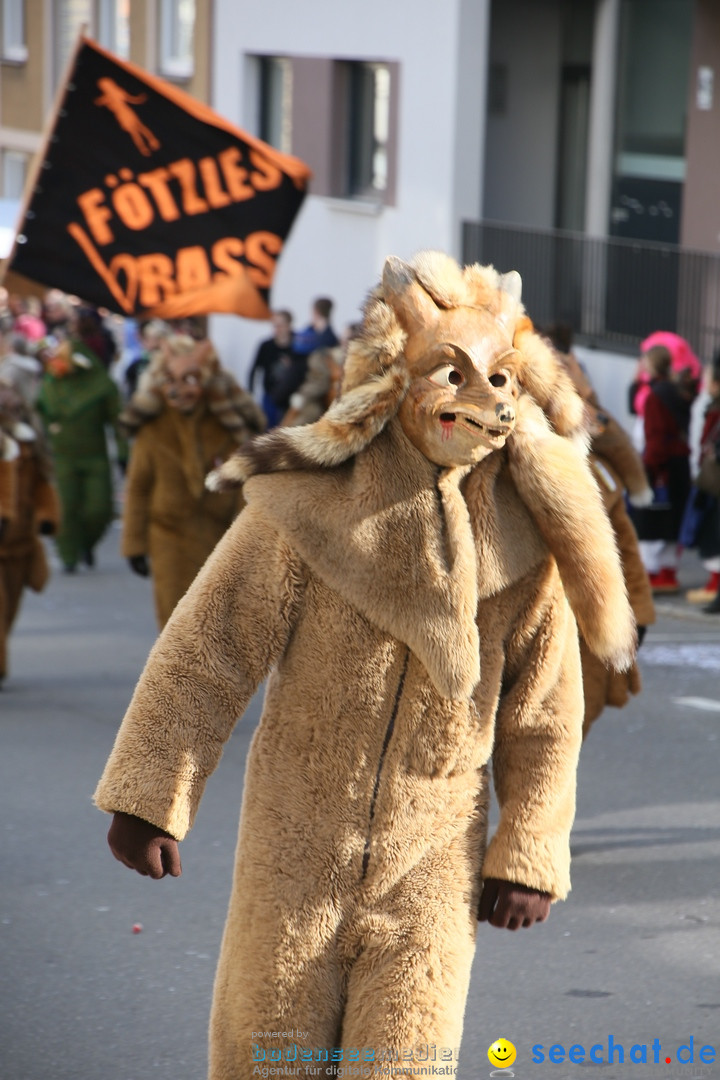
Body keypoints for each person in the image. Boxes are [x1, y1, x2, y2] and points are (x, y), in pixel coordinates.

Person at [94, 252, 635, 1079]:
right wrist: (151, 794)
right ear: (393, 375)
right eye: (452, 371)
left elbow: (547, 712)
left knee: (406, 1063)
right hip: (297, 835)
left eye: (497, 376)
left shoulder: (525, 536)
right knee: (269, 1054)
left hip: (435, 851)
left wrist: (528, 850)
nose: (479, 395)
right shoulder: (308, 499)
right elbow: (210, 647)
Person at [542, 328, 655, 737]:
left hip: (582, 628)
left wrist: (637, 617)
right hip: (524, 630)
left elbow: (624, 547)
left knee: (568, 734)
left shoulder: (599, 473)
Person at [120, 335, 266, 629]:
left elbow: (244, 487)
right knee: (175, 625)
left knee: (218, 625)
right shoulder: (154, 428)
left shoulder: (227, 426)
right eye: (171, 380)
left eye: (190, 379)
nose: (179, 390)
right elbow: (138, 487)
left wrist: (248, 541)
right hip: (167, 537)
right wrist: (134, 544)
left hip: (220, 538)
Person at [35, 337, 126, 572]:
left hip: (95, 456)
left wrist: (124, 452)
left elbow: (118, 422)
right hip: (62, 457)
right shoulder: (52, 383)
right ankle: (69, 555)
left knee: (100, 508)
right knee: (66, 507)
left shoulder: (101, 385)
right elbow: (40, 411)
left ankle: (86, 543)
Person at [0, 378, 60, 687]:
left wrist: (47, 517)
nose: (12, 409)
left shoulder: (28, 444)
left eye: (16, 404)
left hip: (20, 544)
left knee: (8, 612)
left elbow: (42, 486)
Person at [638, 344, 693, 592]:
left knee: (651, 520)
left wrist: (647, 468)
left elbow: (657, 437)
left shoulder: (655, 396)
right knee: (674, 521)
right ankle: (669, 573)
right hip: (681, 465)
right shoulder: (678, 392)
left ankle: (652, 574)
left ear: (651, 365)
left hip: (661, 467)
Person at [247, 310, 300, 427]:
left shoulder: (298, 344)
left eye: (280, 325)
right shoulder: (266, 346)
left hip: (291, 398)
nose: (277, 329)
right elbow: (254, 369)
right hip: (270, 396)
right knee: (268, 429)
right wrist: (250, 393)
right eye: (274, 325)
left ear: (288, 325)